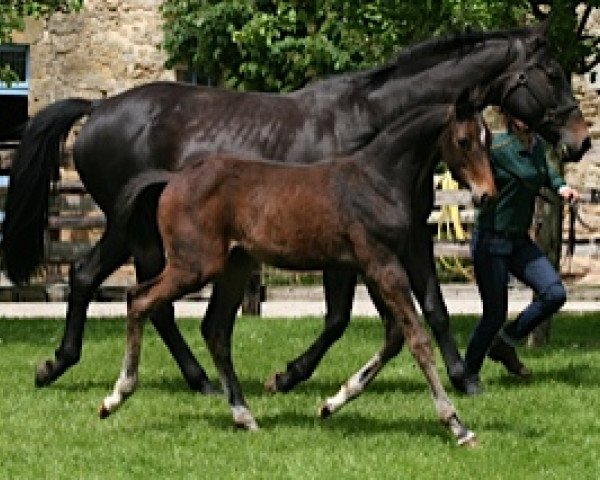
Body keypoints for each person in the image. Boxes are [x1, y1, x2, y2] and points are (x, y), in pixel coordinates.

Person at [464, 112, 579, 394]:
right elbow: (470, 170)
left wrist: (561, 186)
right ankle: (467, 373)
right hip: (491, 240)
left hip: (518, 241)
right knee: (494, 313)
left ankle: (505, 343)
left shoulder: (538, 146)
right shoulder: (497, 148)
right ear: (509, 117)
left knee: (554, 293)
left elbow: (547, 172)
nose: (525, 118)